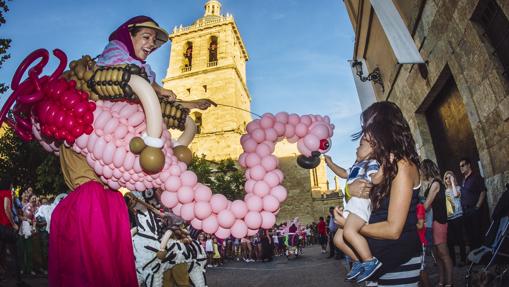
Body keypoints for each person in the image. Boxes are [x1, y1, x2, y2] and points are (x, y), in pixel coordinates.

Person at [333, 101, 422, 286]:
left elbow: (393, 230)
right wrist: (349, 190)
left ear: (382, 129)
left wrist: (350, 226)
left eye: (368, 127)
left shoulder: (402, 165)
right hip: (376, 257)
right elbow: (361, 201)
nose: (364, 133)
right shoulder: (378, 164)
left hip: (398, 259)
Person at [325, 135, 383, 282]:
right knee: (338, 239)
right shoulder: (356, 165)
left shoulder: (371, 163)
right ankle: (357, 260)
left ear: (373, 150)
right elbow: (344, 173)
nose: (357, 148)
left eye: (361, 145)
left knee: (349, 232)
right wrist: (330, 163)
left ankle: (370, 260)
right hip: (351, 205)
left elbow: (376, 179)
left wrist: (386, 165)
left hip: (361, 203)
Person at [422, 159, 453, 286]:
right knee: (437, 256)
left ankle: (450, 282)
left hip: (439, 221)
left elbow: (426, 206)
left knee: (443, 254)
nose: (420, 172)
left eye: (422, 169)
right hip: (431, 222)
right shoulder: (430, 184)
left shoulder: (435, 183)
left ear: (426, 169)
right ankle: (441, 281)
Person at [459, 157, 488, 250]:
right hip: (466, 211)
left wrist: (477, 207)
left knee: (478, 233)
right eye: (460, 166)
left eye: (463, 165)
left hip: (474, 210)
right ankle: (473, 256)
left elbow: (483, 191)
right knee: (470, 234)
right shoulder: (463, 180)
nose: (461, 168)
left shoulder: (476, 177)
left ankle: (481, 256)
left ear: (468, 165)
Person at [444, 170, 466, 266]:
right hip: (449, 218)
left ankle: (463, 259)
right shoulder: (444, 191)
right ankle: (452, 261)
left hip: (458, 216)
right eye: (446, 178)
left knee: (460, 239)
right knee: (450, 241)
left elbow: (456, 195)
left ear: (453, 178)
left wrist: (453, 182)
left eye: (450, 177)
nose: (448, 179)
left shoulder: (457, 188)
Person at [416, 200, 430, 287]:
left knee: (421, 269)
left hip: (420, 241)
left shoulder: (419, 206)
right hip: (413, 241)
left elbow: (420, 225)